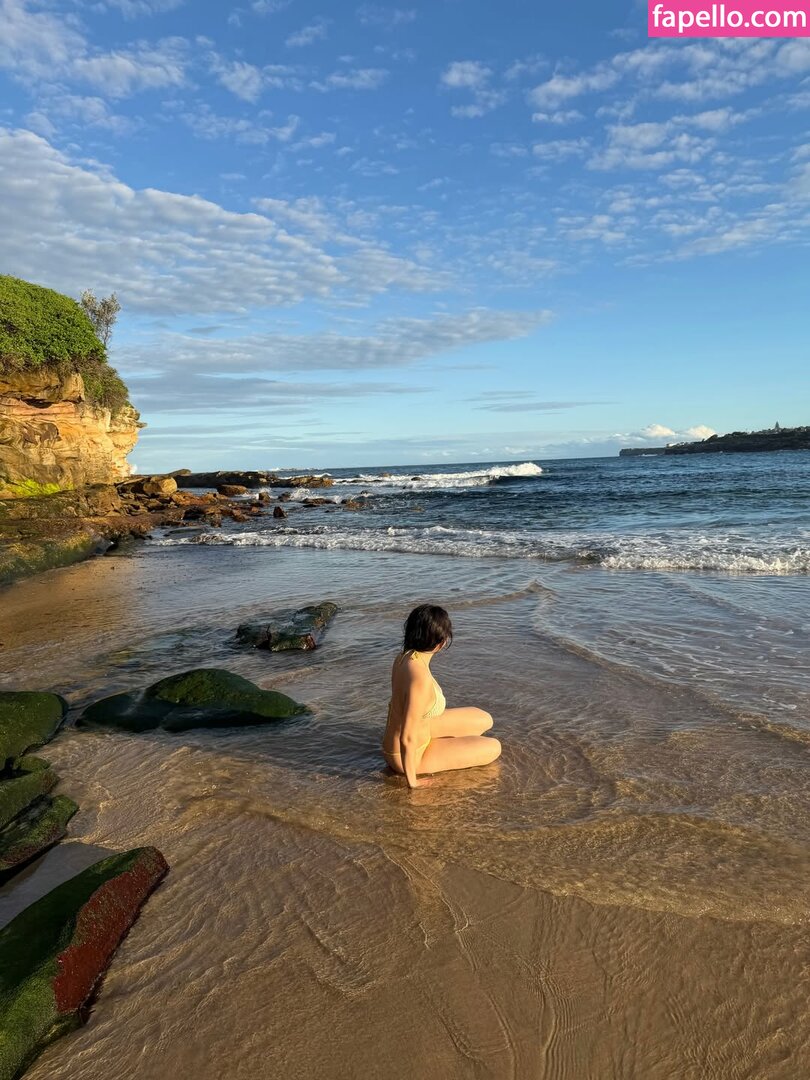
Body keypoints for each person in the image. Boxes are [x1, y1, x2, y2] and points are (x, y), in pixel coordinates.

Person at [382, 604, 501, 789]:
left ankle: (446, 743)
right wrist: (412, 782)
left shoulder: (405, 656)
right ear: (442, 642)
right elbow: (407, 736)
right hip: (413, 753)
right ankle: (424, 760)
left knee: (485, 719)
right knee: (494, 747)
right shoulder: (419, 679)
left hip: (418, 731)